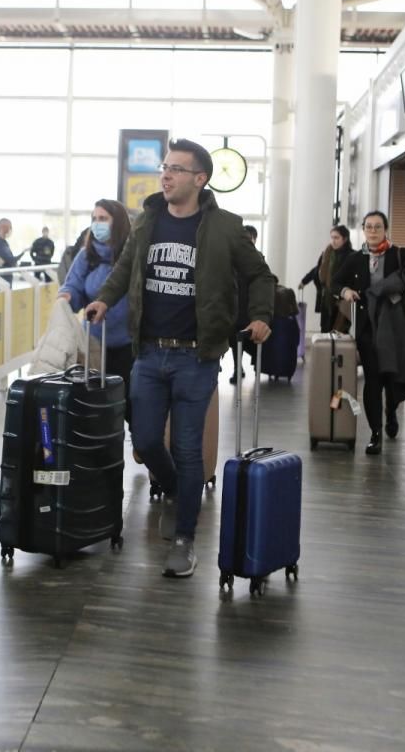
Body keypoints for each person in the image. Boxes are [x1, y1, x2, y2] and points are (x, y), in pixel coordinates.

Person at [87, 138, 275, 579]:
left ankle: (186, 538)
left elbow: (259, 273)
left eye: (175, 169)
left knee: (189, 450)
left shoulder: (225, 227)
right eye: (164, 168)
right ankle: (173, 491)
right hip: (149, 354)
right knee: (147, 441)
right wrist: (103, 300)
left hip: (197, 358)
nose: (165, 175)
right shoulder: (147, 221)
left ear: (200, 179)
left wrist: (261, 315)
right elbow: (125, 268)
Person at [332, 210, 405, 456]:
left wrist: (396, 287)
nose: (373, 231)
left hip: (395, 328)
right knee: (373, 380)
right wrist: (346, 292)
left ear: (386, 230)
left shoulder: (400, 255)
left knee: (391, 376)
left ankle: (391, 410)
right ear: (363, 230)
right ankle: (375, 433)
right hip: (367, 329)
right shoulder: (355, 258)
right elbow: (334, 282)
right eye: (369, 227)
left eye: (378, 227)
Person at [58, 200, 133, 427]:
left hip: (130, 345)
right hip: (93, 345)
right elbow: (73, 286)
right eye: (94, 219)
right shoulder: (86, 256)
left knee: (131, 404)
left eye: (103, 219)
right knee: (96, 408)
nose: (97, 224)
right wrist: (67, 297)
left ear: (117, 223)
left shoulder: (131, 255)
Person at [300, 224, 354, 334]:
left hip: (342, 300)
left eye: (337, 238)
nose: (333, 241)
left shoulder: (352, 256)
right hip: (327, 299)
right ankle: (326, 351)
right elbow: (317, 269)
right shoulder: (327, 254)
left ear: (345, 239)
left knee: (340, 331)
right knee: (325, 329)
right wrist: (304, 281)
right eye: (332, 237)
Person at [228, 224, 260, 384]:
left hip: (251, 307)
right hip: (237, 306)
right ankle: (237, 368)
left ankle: (254, 365)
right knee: (235, 340)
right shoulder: (233, 258)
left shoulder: (258, 258)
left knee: (251, 339)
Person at [0, 218, 25, 284]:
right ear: (2, 227)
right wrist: (22, 253)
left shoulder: (4, 243)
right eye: (9, 227)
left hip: (7, 278)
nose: (11, 229)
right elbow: (10, 260)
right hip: (0, 280)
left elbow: (9, 260)